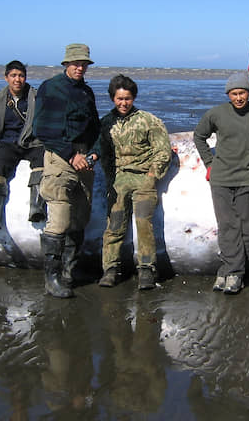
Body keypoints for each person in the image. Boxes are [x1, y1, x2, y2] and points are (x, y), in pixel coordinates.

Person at [193, 71, 249, 294]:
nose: (238, 98)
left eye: (242, 93)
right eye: (234, 94)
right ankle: (232, 272)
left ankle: (230, 271)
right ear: (229, 94)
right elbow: (199, 136)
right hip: (221, 178)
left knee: (248, 227)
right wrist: (209, 162)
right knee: (227, 226)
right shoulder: (216, 114)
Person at [32, 43, 101, 298]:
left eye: (84, 64)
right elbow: (42, 129)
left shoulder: (86, 92)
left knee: (80, 218)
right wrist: (71, 155)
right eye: (75, 63)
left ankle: (69, 273)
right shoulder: (51, 88)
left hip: (85, 160)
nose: (79, 67)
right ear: (65, 64)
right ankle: (52, 278)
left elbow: (95, 127)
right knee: (59, 219)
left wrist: (93, 153)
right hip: (61, 158)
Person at [98, 75, 172, 290]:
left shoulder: (149, 120)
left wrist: (152, 176)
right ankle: (110, 269)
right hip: (119, 180)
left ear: (133, 98)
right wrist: (110, 178)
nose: (123, 103)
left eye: (127, 98)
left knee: (143, 224)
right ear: (113, 98)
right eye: (119, 99)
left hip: (143, 180)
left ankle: (147, 270)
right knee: (114, 225)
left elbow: (163, 151)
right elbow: (103, 154)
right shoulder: (106, 123)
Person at [0, 60, 45, 230]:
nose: (17, 79)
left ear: (25, 78)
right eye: (13, 76)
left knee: (41, 163)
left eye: (21, 76)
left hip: (32, 142)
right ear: (6, 78)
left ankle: (36, 208)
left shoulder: (36, 96)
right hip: (8, 143)